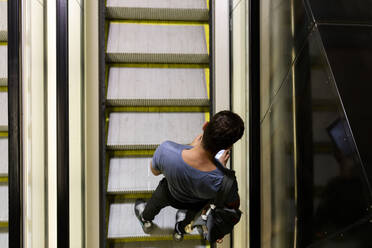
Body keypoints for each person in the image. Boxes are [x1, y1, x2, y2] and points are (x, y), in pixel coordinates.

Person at [134, 110, 244, 242]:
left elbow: (155, 171)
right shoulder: (227, 182)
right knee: (188, 219)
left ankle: (146, 219)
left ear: (205, 126)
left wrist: (189, 147)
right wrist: (221, 168)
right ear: (228, 147)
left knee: (153, 205)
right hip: (196, 204)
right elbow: (230, 208)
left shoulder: (166, 151)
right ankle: (179, 231)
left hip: (169, 193)